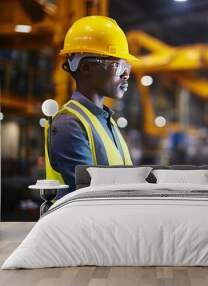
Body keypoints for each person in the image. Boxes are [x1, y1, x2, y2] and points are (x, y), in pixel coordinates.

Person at [44, 16, 138, 198]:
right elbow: (90, 196)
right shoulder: (68, 125)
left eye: (128, 66)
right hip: (80, 225)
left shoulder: (107, 121)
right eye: (118, 65)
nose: (126, 74)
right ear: (86, 68)